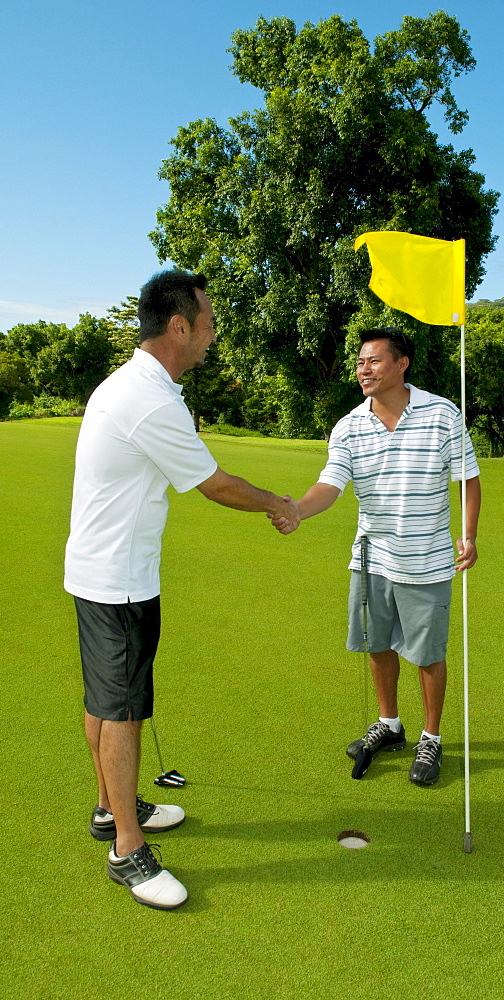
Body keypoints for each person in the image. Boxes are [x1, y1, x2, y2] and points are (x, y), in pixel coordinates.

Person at [65, 270, 298, 910]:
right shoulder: (150, 398)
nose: (212, 337)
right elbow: (215, 484)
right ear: (179, 326)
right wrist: (282, 504)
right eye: (209, 324)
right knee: (122, 710)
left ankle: (114, 808)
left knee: (108, 698)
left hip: (106, 571)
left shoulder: (133, 384)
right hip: (118, 580)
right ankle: (128, 852)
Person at [272, 327, 480, 787]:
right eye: (360, 362)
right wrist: (298, 511)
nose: (363, 370)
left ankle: (431, 735)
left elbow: (468, 479)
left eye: (374, 361)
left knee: (427, 654)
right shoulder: (349, 425)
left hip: (426, 558)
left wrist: (468, 535)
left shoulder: (443, 414)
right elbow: (331, 484)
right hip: (371, 558)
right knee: (377, 644)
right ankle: (390, 724)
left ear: (401, 363)